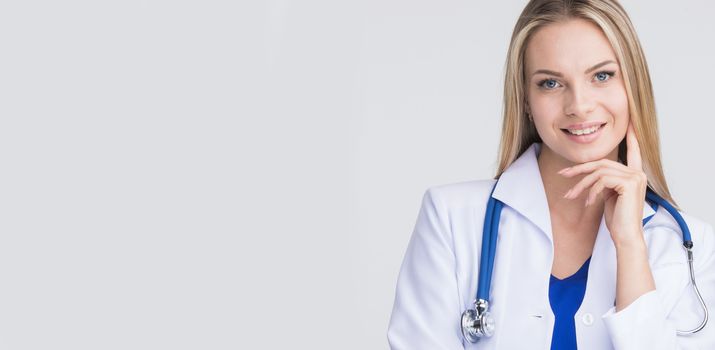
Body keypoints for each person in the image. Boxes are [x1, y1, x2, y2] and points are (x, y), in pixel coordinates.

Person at [386, 0, 715, 349]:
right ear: (525, 99)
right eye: (551, 84)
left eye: (602, 76)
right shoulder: (451, 219)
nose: (579, 105)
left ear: (633, 86)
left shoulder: (690, 244)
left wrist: (630, 245)